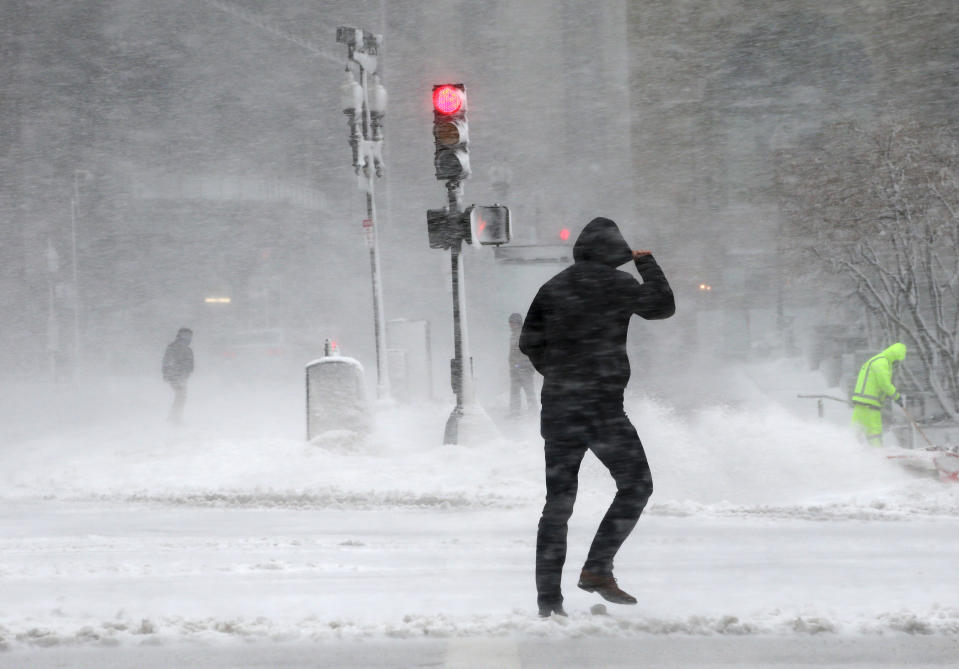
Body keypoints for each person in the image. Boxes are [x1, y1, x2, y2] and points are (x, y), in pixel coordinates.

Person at [520, 217, 675, 618]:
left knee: (558, 504)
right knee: (636, 485)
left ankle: (549, 602)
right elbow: (661, 308)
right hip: (603, 408)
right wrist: (647, 264)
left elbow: (528, 343)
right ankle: (597, 567)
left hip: (558, 408)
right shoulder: (618, 284)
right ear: (615, 252)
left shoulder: (552, 287)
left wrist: (558, 375)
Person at [850, 342, 906, 447]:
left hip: (861, 402)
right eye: (897, 361)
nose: (896, 364)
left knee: (857, 430)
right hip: (870, 403)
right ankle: (878, 454)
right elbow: (884, 383)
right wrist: (896, 396)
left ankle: (852, 451)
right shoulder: (882, 362)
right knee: (874, 432)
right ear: (894, 356)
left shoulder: (876, 360)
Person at [162, 327, 194, 423]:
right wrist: (168, 373)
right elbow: (167, 362)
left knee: (181, 397)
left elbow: (189, 364)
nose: (189, 338)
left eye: (190, 336)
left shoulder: (186, 349)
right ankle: (174, 418)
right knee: (181, 396)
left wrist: (187, 372)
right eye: (187, 336)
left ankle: (175, 417)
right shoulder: (174, 347)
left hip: (181, 376)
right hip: (175, 376)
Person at [508, 312, 537, 417]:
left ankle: (532, 413)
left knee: (528, 392)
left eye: (511, 322)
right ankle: (516, 413)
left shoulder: (522, 334)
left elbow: (524, 353)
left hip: (524, 369)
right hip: (517, 369)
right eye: (510, 322)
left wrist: (519, 366)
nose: (510, 325)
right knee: (517, 392)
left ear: (517, 323)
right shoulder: (515, 334)